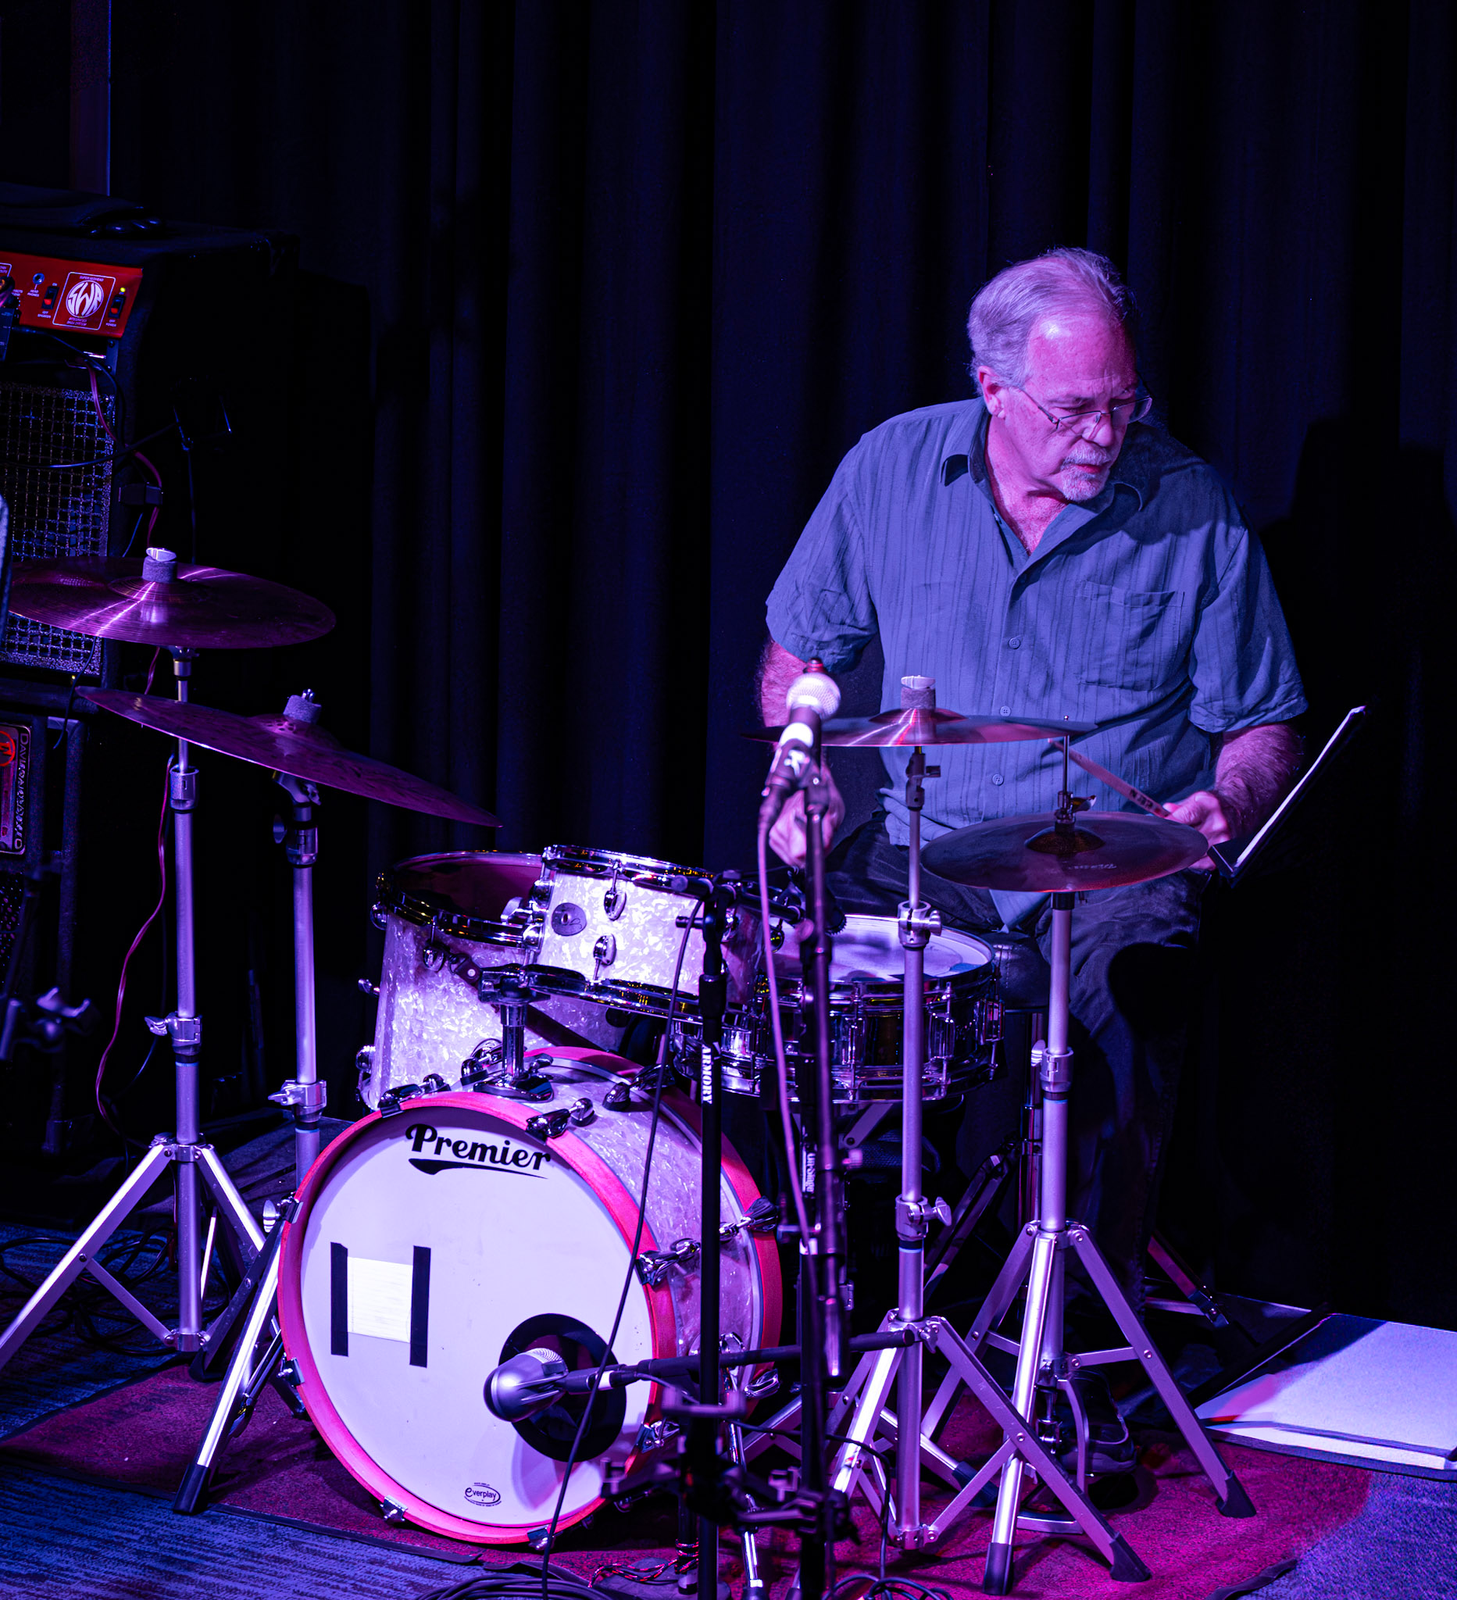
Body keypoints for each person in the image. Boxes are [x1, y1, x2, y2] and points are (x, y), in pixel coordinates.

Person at [758, 247, 1304, 1386]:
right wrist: (798, 759)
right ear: (992, 388)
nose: (1104, 435)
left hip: (1109, 863)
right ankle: (842, 1310)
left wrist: (1228, 797)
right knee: (798, 971)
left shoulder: (1190, 503)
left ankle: (1077, 1357)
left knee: (1123, 992)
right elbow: (799, 650)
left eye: (1122, 404)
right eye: (1073, 410)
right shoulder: (892, 467)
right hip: (923, 847)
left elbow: (1259, 723)